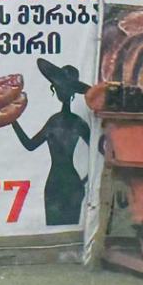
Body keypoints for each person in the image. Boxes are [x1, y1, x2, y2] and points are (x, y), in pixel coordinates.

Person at [12, 58, 91, 228]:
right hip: (59, 184)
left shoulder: (70, 123)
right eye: (59, 86)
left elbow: (100, 151)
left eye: (65, 87)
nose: (61, 90)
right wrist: (12, 119)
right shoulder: (61, 122)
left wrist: (84, 181)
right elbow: (30, 145)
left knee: (66, 230)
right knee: (59, 229)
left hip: (64, 184)